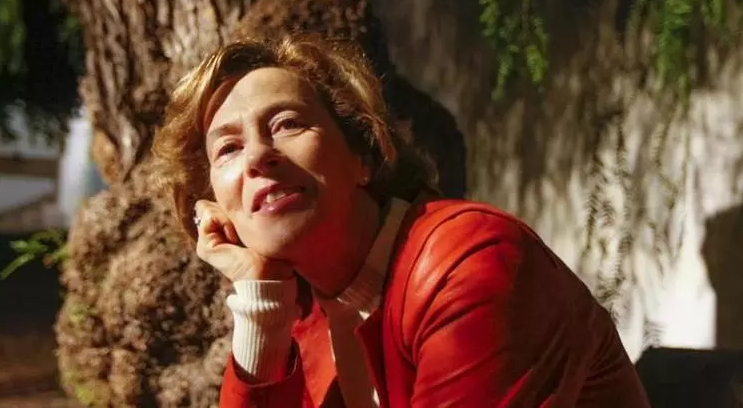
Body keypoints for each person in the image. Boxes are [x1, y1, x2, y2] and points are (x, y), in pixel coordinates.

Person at [152, 34, 650, 407]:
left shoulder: (468, 262)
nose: (258, 155)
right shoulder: (303, 313)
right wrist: (261, 301)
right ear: (217, 205)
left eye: (287, 123)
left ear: (364, 155)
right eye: (228, 148)